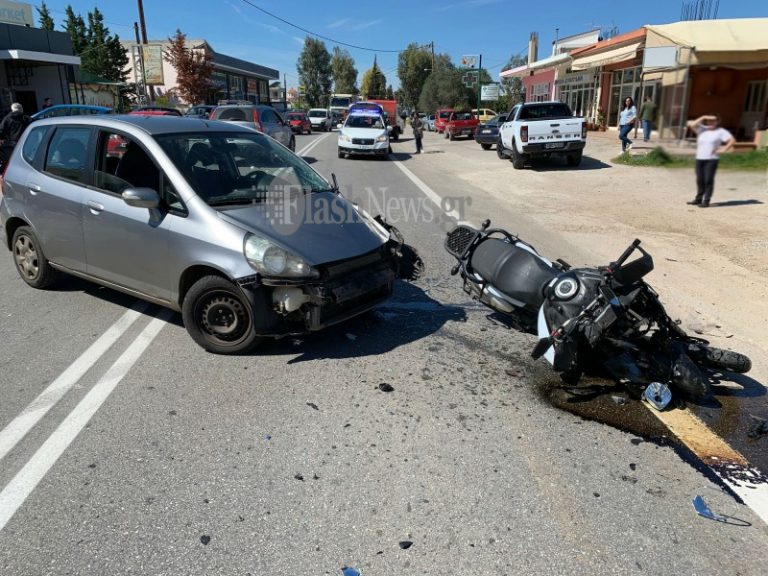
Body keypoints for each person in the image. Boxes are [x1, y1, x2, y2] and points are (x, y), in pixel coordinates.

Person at [685, 114, 735, 208]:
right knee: (700, 180)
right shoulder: (702, 129)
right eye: (709, 121)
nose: (711, 122)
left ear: (717, 122)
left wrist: (723, 149)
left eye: (713, 121)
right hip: (700, 158)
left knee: (708, 180)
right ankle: (698, 199)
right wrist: (704, 117)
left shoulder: (721, 131)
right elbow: (690, 124)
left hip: (712, 159)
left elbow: (732, 140)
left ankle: (706, 201)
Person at [0, 102, 31, 168]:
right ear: (21, 109)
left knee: (14, 158)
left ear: (12, 109)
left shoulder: (7, 118)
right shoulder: (25, 117)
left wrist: (2, 138)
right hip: (26, 140)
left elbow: (1, 130)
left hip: (12, 142)